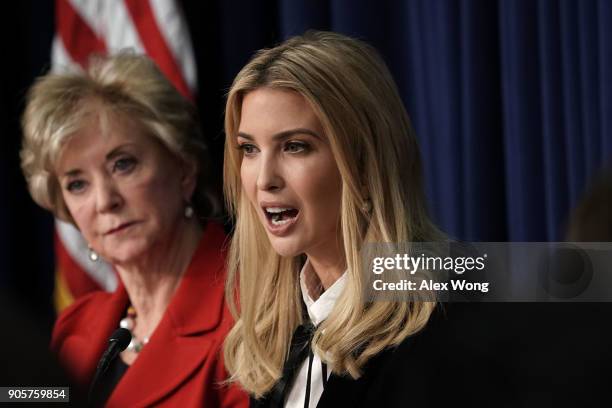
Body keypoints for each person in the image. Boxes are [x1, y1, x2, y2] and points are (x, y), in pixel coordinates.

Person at [222, 31, 513, 407]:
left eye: (295, 146)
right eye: (249, 149)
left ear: (363, 160)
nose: (264, 180)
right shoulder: (277, 334)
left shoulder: (454, 301)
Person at [20, 53, 248, 407]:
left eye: (123, 164)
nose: (104, 201)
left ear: (183, 169)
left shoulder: (253, 308)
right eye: (77, 184)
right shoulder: (75, 328)